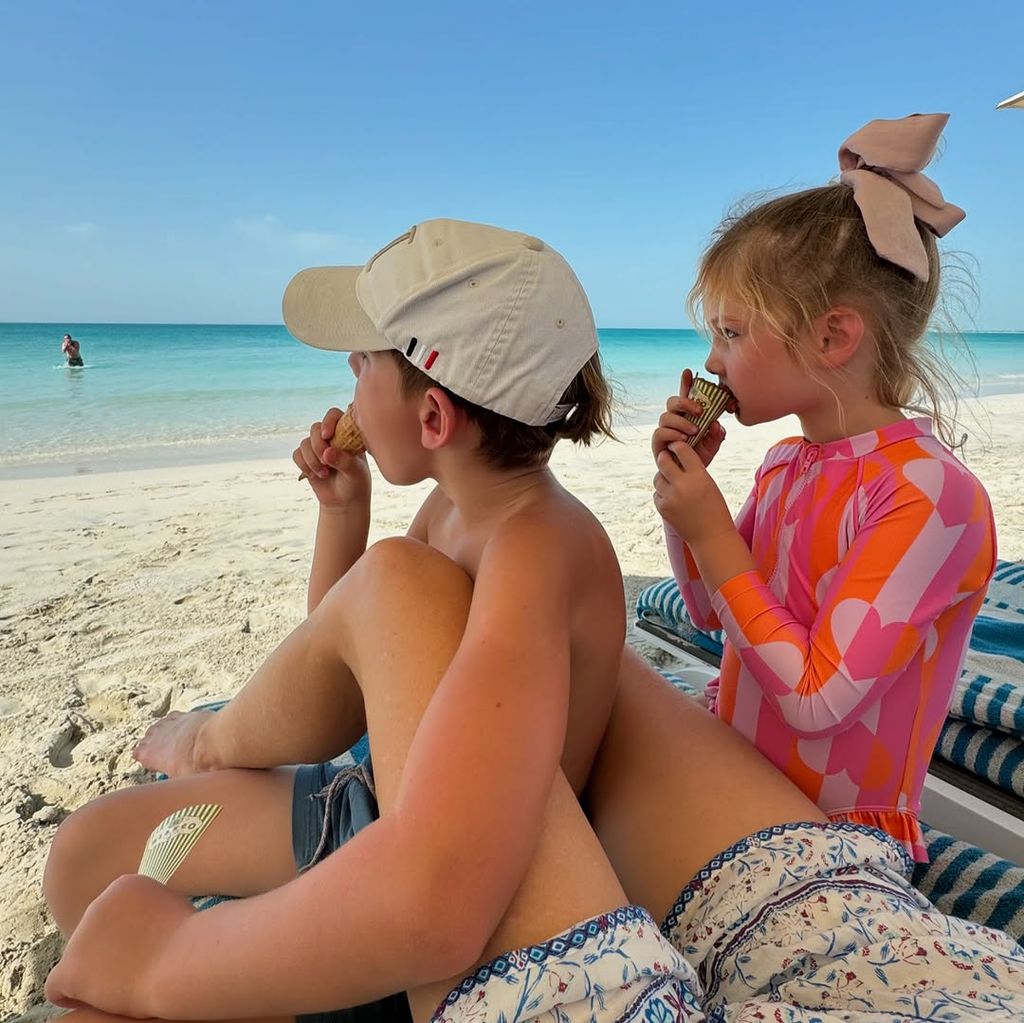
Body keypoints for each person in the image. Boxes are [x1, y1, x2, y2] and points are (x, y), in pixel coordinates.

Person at [43, 217, 681, 1020]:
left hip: (454, 863)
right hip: (366, 799)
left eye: (362, 362)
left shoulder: (539, 553)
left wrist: (168, 961)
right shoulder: (452, 508)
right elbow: (348, 667)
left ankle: (208, 754)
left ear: (434, 420)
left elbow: (447, 884)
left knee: (130, 903)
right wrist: (343, 512)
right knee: (80, 859)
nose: (347, 376)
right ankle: (207, 756)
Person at [651, 112, 996, 862]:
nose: (713, 359)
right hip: (735, 778)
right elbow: (714, 610)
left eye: (732, 333)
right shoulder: (786, 463)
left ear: (832, 337)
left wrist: (710, 531)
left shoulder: (932, 495)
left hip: (832, 844)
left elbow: (813, 699)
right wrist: (688, 504)